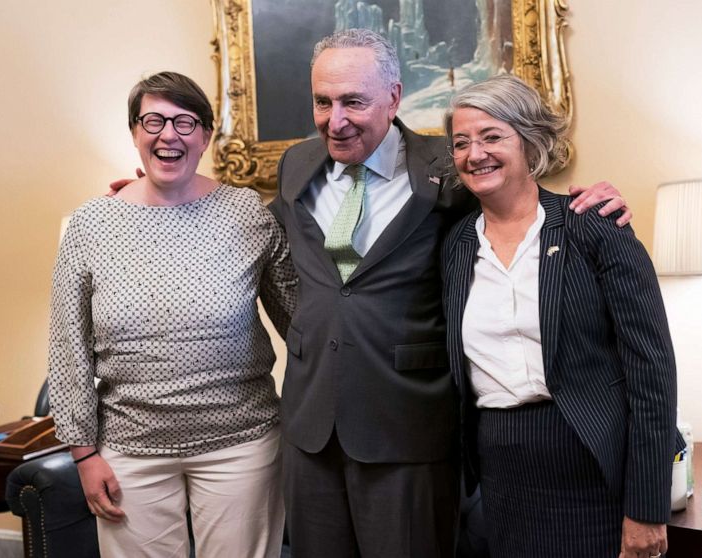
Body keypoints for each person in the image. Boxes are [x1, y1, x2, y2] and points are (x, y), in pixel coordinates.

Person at [268, 29, 633, 557]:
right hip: (309, 426)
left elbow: (518, 201)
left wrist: (601, 198)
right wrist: (154, 191)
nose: (335, 119)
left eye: (353, 101)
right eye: (322, 102)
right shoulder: (296, 165)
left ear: (393, 98)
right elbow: (277, 244)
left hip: (408, 429)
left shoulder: (454, 164)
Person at [46, 71, 296, 558]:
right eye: (154, 120)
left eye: (185, 122)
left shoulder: (248, 213)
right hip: (128, 453)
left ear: (205, 135)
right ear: (135, 132)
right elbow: (66, 346)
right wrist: (84, 455)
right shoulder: (91, 225)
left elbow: (300, 318)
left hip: (241, 445)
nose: (168, 135)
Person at [441, 74, 681, 558]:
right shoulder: (455, 245)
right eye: (461, 142)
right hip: (502, 472)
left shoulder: (592, 225)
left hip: (594, 465)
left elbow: (652, 372)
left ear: (530, 143)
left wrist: (647, 507)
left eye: (492, 137)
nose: (474, 154)